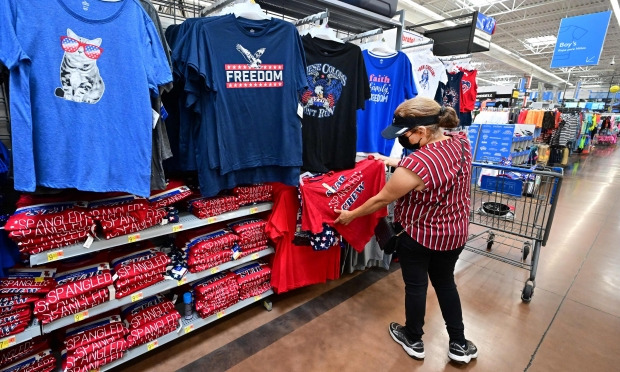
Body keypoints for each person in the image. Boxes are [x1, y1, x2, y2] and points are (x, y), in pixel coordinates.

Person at [334, 97, 477, 364]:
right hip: (455, 233)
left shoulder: (417, 164)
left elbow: (381, 200)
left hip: (419, 236)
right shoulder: (461, 143)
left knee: (416, 286)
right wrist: (389, 161)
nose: (402, 139)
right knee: (446, 283)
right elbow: (433, 172)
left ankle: (413, 338)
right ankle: (459, 343)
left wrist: (350, 215)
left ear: (422, 131)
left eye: (405, 134)